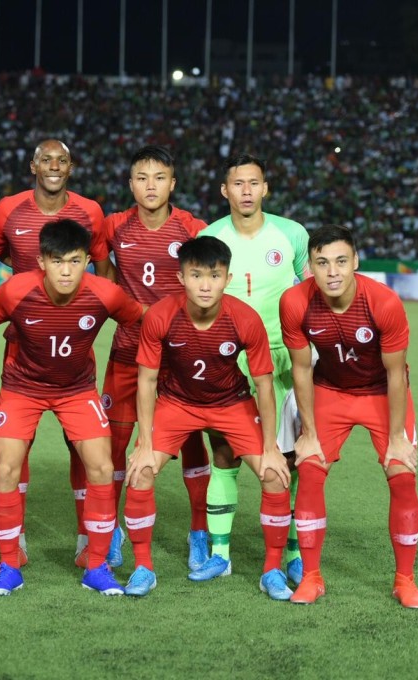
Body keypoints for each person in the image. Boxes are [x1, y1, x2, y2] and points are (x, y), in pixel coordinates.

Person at [0, 219, 143, 596]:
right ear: (41, 261)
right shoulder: (15, 291)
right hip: (22, 388)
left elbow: (143, 320)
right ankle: (9, 564)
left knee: (101, 466)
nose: (66, 271)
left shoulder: (106, 294)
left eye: (74, 261)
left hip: (77, 389)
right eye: (57, 261)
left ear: (87, 260)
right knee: (5, 469)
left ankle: (96, 565)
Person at [123, 236, 292, 599]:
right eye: (196, 275)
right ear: (181, 277)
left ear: (227, 278)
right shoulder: (160, 316)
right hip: (177, 403)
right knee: (140, 472)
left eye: (214, 276)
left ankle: (272, 570)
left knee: (275, 475)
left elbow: (264, 386)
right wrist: (144, 442)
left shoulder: (244, 319)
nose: (205, 284)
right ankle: (142, 567)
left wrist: (271, 446)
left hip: (231, 403)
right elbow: (146, 381)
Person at [0, 138, 113, 567]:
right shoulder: (8, 211)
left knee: (84, 451)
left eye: (62, 160)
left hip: (74, 354)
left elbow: (105, 274)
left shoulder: (90, 212)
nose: (53, 166)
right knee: (17, 450)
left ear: (71, 167)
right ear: (33, 165)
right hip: (23, 350)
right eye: (46, 160)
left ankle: (84, 538)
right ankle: (13, 544)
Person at [279, 225, 418, 608]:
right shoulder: (295, 302)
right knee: (309, 467)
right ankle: (311, 577)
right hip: (331, 391)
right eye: (322, 262)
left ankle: (405, 580)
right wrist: (308, 431)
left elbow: (397, 373)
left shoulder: (384, 302)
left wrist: (397, 436)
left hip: (381, 393)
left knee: (402, 473)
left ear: (356, 262)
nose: (332, 272)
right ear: (309, 265)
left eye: (341, 262)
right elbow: (300, 369)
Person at [193, 153, 311, 583]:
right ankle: (220, 555)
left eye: (254, 183)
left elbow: (308, 294)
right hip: (230, 361)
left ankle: (293, 553)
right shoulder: (211, 235)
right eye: (237, 184)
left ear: (266, 189)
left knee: (293, 460)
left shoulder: (293, 235)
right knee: (223, 453)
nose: (246, 191)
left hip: (284, 362)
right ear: (225, 191)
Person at [101, 145, 211, 573]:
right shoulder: (114, 226)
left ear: (173, 183)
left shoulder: (192, 228)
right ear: (131, 184)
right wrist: (123, 303)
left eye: (159, 177)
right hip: (128, 354)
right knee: (114, 446)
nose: (151, 186)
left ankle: (198, 531)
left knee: (192, 443)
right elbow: (99, 265)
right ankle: (111, 529)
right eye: (142, 178)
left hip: (180, 359)